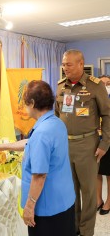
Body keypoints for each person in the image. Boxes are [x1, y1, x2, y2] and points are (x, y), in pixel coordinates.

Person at [0, 80, 76, 236]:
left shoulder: (42, 133)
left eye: (25, 103)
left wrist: (29, 207)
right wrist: (2, 147)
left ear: (32, 103)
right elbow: (31, 143)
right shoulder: (56, 123)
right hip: (64, 200)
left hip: (47, 207)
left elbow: (39, 175)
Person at [55, 49, 110, 236]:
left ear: (80, 63)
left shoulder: (95, 86)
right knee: (70, 190)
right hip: (65, 145)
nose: (65, 68)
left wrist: (105, 144)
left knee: (88, 192)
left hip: (88, 145)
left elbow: (107, 115)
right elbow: (57, 115)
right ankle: (75, 227)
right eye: (63, 64)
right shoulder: (61, 86)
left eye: (68, 64)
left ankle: (86, 231)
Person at [97, 75, 110, 215]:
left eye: (108, 83)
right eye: (103, 83)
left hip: (109, 139)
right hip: (95, 139)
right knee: (96, 171)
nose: (105, 86)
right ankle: (98, 199)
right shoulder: (92, 98)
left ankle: (109, 201)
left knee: (109, 173)